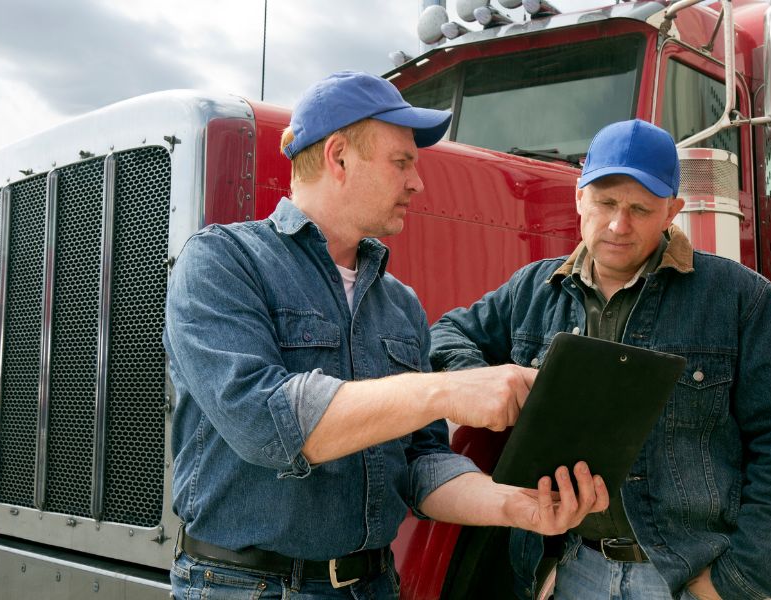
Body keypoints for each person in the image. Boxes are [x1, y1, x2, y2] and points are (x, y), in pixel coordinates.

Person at [162, 71, 608, 600]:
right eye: (403, 162)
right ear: (339, 156)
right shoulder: (222, 261)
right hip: (246, 586)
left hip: (373, 586)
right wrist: (444, 391)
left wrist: (513, 506)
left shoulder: (400, 304)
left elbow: (419, 464)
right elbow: (266, 423)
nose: (417, 183)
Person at [429, 119, 771, 600]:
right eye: (606, 203)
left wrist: (738, 579)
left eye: (641, 209)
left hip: (688, 578)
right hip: (574, 570)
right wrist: (486, 384)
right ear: (579, 197)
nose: (619, 225)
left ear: (672, 212)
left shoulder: (739, 298)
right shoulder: (533, 289)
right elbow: (446, 333)